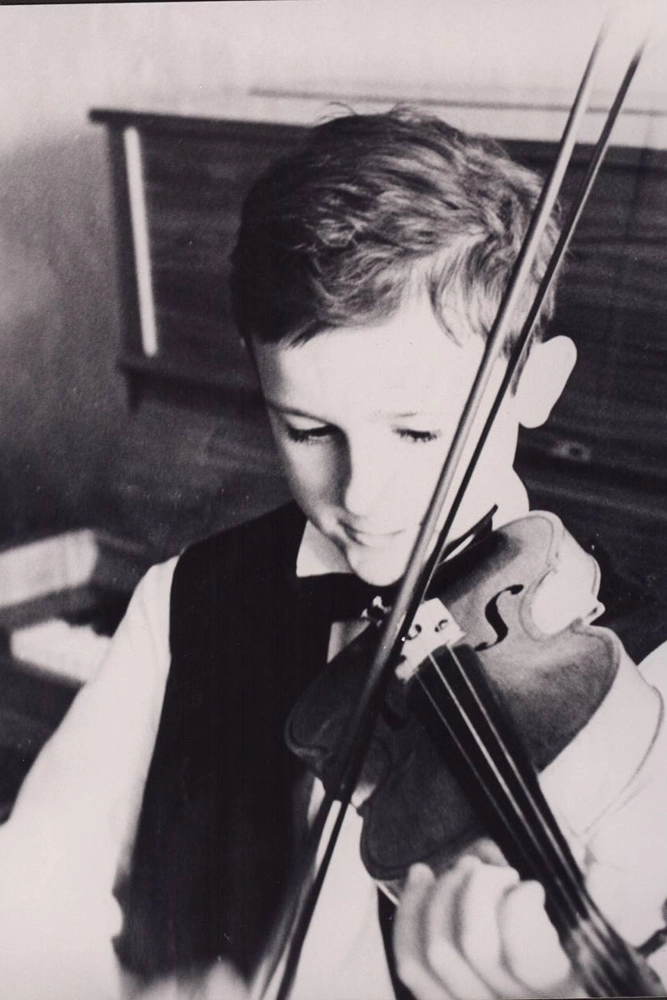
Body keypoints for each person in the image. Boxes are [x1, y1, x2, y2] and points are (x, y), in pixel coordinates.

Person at [1, 107, 666, 1000]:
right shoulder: (186, 598)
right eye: (309, 430)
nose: (361, 495)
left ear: (534, 386)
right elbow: (35, 895)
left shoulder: (642, 677)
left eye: (418, 432)